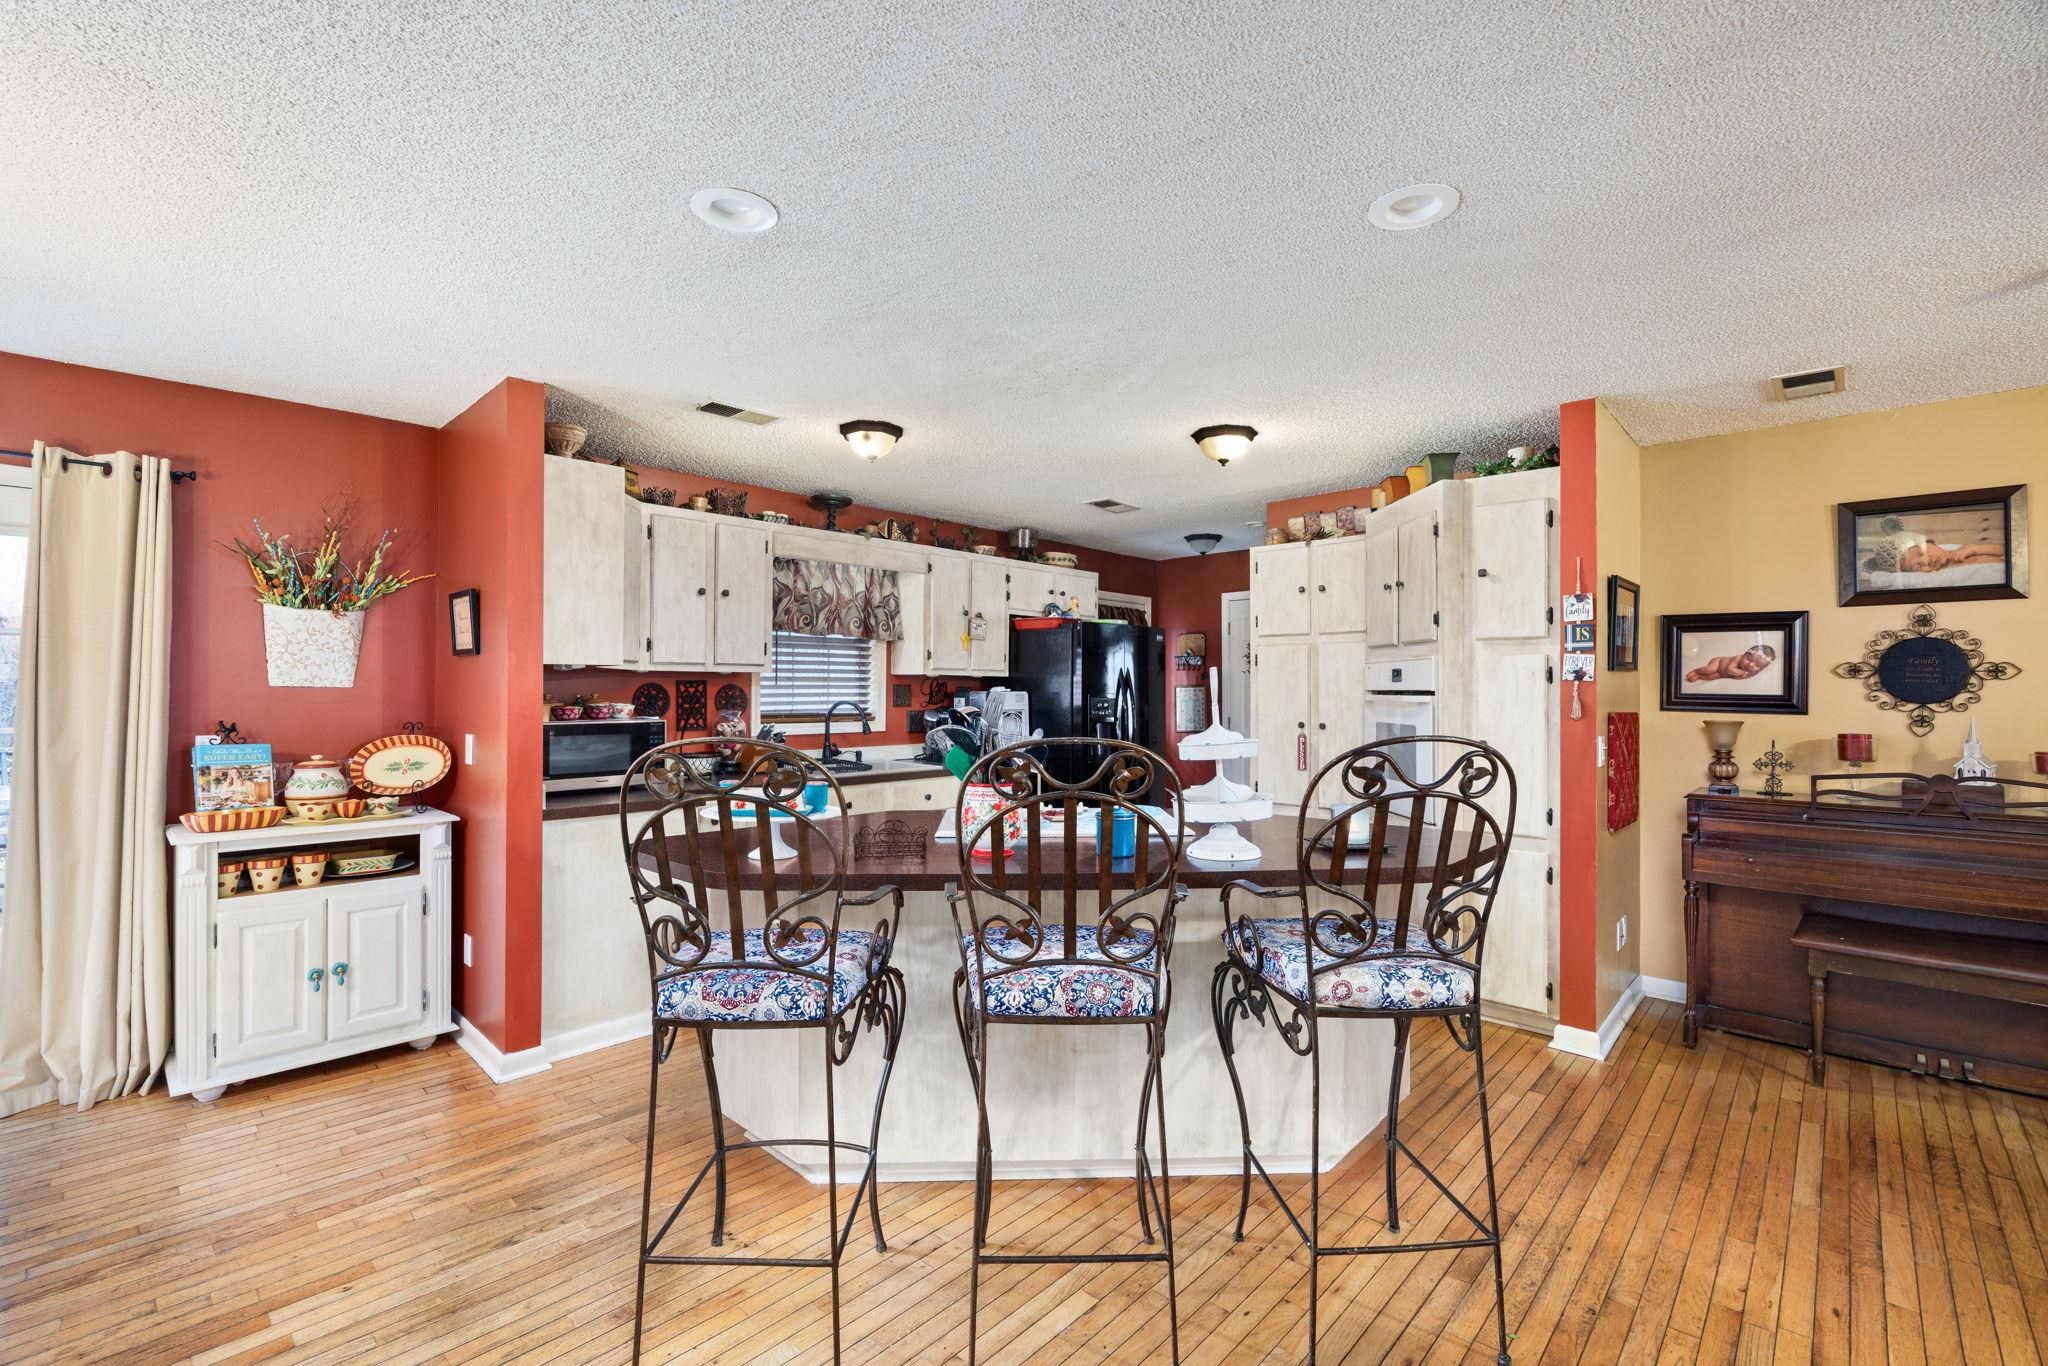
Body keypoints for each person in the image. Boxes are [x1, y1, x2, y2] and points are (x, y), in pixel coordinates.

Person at [1687, 643, 1775, 684]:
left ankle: (1699, 676)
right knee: (1710, 670)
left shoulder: (1751, 673)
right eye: (1749, 659)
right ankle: (1695, 671)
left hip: (1721, 674)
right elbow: (1729, 670)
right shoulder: (1738, 658)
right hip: (1718, 663)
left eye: (1757, 666)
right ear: (1744, 654)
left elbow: (1735, 678)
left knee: (1713, 677)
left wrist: (1742, 676)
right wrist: (1742, 673)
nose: (1751, 664)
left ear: (1760, 669)